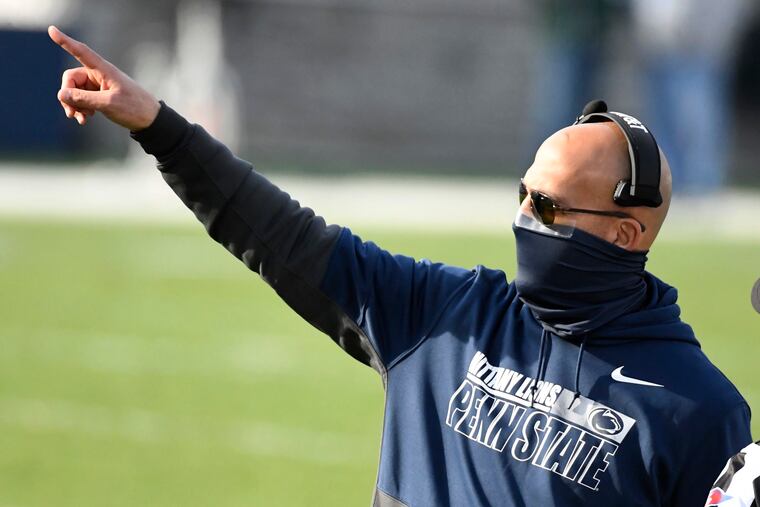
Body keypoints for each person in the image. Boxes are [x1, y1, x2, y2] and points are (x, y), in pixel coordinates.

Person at [48, 26, 752, 507]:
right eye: (523, 195)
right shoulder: (442, 312)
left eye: (549, 206)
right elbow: (280, 235)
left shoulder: (698, 410)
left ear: (626, 232)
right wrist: (159, 127)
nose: (525, 218)